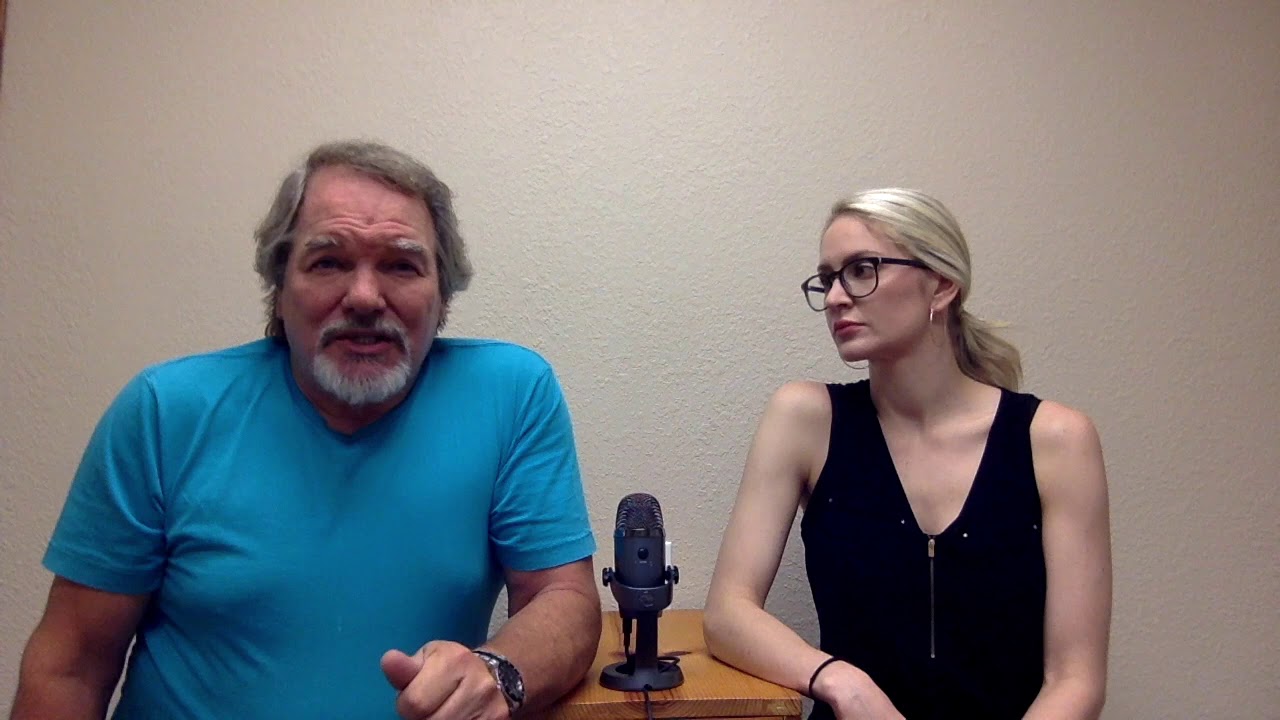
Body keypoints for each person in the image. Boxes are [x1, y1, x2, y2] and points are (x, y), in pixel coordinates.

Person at [11, 140, 601, 719]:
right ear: (279, 288)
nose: (365, 297)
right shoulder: (165, 411)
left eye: (401, 265)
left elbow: (563, 598)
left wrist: (497, 673)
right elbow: (72, 666)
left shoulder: (510, 393)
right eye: (328, 263)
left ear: (442, 294)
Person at [703, 189, 1112, 720]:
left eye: (861, 270)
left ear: (941, 284)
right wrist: (843, 683)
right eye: (827, 279)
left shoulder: (1056, 440)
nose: (835, 297)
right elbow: (727, 613)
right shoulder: (805, 419)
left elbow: (1076, 680)